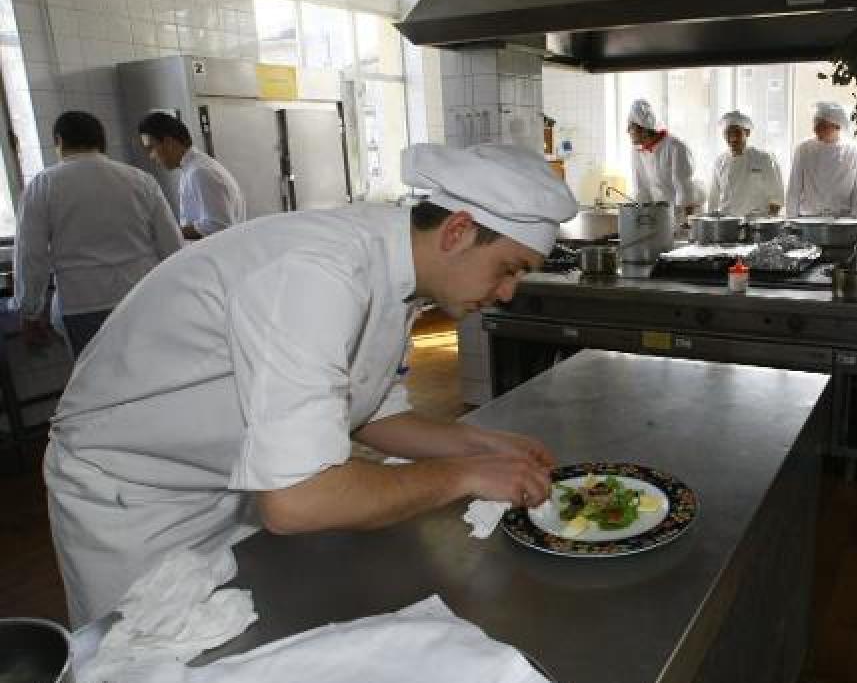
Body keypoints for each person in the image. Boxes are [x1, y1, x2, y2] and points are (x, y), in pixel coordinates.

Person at [44, 143, 578, 628]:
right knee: (143, 655)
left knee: (235, 646)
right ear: (457, 231)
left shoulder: (397, 273)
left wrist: (484, 445)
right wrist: (465, 474)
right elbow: (298, 500)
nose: (508, 292)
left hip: (230, 483)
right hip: (132, 500)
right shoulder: (318, 274)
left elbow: (372, 414)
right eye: (508, 269)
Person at [12, 111, 182, 357]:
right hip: (142, 296)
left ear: (59, 141)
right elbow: (172, 245)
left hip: (82, 306)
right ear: (101, 141)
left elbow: (31, 256)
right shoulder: (141, 181)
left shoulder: (43, 185)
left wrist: (30, 312)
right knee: (151, 368)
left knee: (96, 378)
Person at [138, 111, 246, 239]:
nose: (151, 156)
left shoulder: (200, 172)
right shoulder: (193, 169)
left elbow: (219, 226)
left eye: (151, 148)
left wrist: (171, 232)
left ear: (168, 142)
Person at [785, 102, 857, 218]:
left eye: (822, 126)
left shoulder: (855, 153)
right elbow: (794, 188)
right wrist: (791, 219)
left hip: (843, 220)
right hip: (809, 220)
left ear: (838, 126)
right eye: (815, 125)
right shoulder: (803, 149)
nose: (816, 130)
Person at [627, 98, 697, 221]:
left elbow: (685, 189)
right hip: (656, 217)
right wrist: (643, 220)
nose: (627, 131)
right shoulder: (636, 150)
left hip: (680, 217)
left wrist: (688, 223)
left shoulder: (675, 147)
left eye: (631, 127)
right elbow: (640, 188)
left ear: (644, 130)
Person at [705, 110, 784, 217]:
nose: (733, 138)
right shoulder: (719, 162)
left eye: (737, 132)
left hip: (756, 222)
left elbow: (777, 197)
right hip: (728, 221)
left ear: (747, 133)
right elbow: (713, 198)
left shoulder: (763, 158)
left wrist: (769, 221)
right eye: (728, 133)